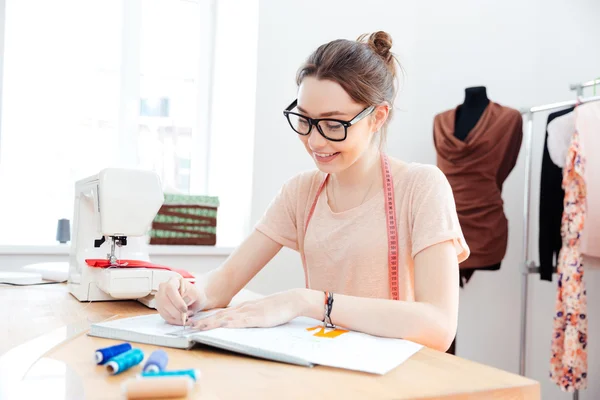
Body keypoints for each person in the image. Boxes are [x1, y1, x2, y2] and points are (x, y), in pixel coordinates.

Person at [155, 31, 469, 352]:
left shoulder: (421, 187)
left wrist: (307, 302)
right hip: (327, 365)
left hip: (397, 377)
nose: (316, 142)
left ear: (377, 117)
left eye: (334, 125)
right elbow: (222, 284)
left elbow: (438, 326)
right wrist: (188, 292)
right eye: (304, 120)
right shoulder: (301, 192)